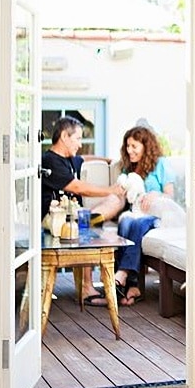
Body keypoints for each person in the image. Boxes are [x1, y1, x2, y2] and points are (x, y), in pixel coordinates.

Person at [41, 116, 126, 305]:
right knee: (107, 204)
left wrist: (107, 159)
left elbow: (84, 159)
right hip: (55, 220)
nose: (80, 144)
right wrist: (111, 189)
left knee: (114, 202)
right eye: (77, 139)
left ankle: (88, 223)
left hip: (72, 218)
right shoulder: (50, 161)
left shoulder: (69, 159)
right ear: (64, 136)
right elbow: (79, 188)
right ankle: (87, 288)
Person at [113, 124, 175, 307]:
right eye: (128, 146)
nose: (129, 150)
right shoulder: (129, 169)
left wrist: (155, 195)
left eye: (134, 146)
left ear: (146, 147)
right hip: (136, 213)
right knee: (125, 224)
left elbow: (170, 195)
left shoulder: (161, 164)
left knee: (138, 225)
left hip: (158, 216)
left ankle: (123, 273)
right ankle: (133, 286)